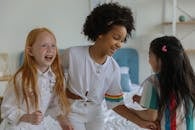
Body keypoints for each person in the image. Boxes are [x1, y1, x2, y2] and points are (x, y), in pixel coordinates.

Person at [60, 2, 156, 130]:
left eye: (122, 41)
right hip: (72, 113)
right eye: (116, 38)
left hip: (96, 115)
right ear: (101, 32)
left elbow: (115, 104)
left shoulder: (113, 68)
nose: (119, 45)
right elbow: (50, 75)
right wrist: (62, 91)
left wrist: (140, 123)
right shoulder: (72, 54)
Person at [0, 27, 73, 130]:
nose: (50, 49)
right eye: (44, 45)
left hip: (40, 124)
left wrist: (62, 121)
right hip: (20, 125)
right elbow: (6, 109)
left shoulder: (55, 77)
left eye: (53, 45)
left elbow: (52, 106)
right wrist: (27, 117)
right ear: (30, 51)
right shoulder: (20, 78)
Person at [130, 36, 195, 130]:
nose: (148, 61)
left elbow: (151, 116)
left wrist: (131, 111)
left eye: (150, 55)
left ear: (160, 59)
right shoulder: (190, 80)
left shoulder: (153, 82)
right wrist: (142, 100)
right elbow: (172, 104)